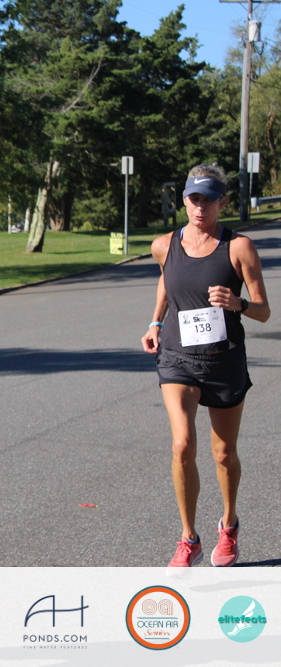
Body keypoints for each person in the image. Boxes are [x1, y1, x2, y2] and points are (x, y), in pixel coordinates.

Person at [141, 163, 270, 569]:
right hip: (177, 357)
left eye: (209, 200)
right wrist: (155, 322)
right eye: (194, 199)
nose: (201, 207)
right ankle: (188, 538)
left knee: (223, 452)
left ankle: (228, 525)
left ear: (222, 202)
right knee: (182, 444)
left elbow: (264, 310)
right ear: (184, 200)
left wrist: (238, 303)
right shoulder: (164, 245)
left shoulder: (239, 247)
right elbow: (167, 280)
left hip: (223, 359)